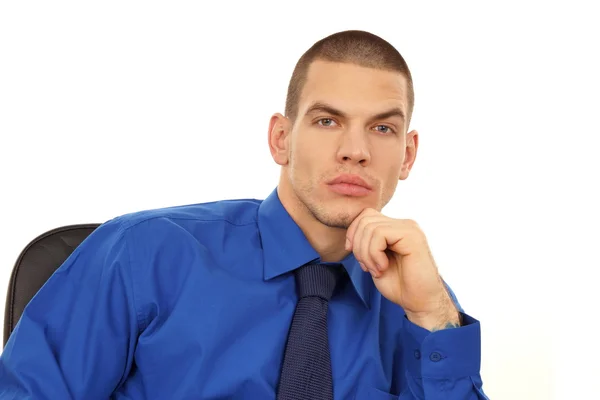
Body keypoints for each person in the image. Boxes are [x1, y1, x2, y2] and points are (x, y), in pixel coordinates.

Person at [0, 30, 488, 399]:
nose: (355, 151)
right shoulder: (143, 254)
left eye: (382, 128)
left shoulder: (417, 301)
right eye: (326, 121)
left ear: (407, 155)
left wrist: (433, 315)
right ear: (281, 138)